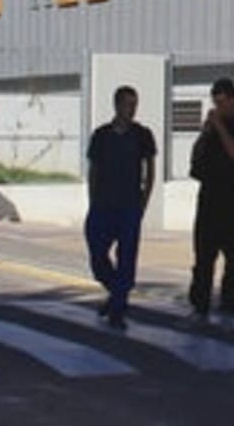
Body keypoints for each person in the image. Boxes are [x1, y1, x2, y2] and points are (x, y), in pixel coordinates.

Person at [187, 78, 234, 324]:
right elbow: (196, 166)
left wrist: (219, 126)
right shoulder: (211, 132)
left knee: (232, 257)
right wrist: (207, 132)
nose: (219, 108)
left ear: (233, 100)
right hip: (209, 199)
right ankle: (200, 303)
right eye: (215, 103)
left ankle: (230, 302)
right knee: (203, 258)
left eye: (222, 102)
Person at [85, 85, 157, 330]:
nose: (132, 109)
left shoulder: (142, 134)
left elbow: (150, 171)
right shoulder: (101, 135)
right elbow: (93, 170)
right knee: (97, 257)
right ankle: (116, 291)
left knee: (126, 259)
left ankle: (118, 307)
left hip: (129, 206)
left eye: (135, 104)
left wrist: (143, 202)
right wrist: (93, 200)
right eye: (128, 104)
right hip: (103, 205)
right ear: (117, 105)